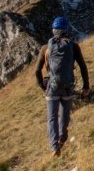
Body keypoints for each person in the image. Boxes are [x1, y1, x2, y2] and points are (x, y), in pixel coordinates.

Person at [35, 17, 90, 157]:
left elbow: (37, 71)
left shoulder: (45, 48)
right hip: (68, 86)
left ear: (53, 30)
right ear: (66, 30)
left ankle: (54, 147)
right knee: (64, 115)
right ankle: (62, 138)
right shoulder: (73, 46)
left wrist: (43, 86)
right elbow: (83, 67)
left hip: (52, 87)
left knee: (52, 117)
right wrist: (85, 86)